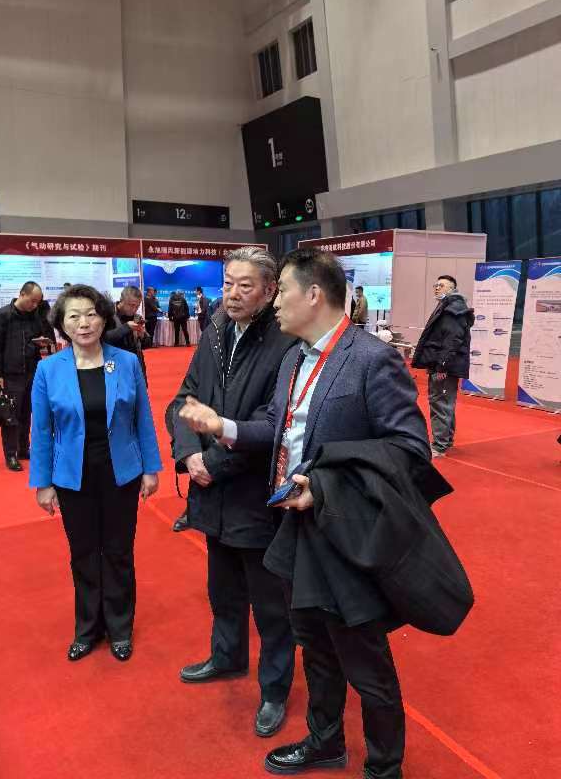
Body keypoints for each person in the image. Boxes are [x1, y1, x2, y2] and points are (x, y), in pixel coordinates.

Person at [179, 248, 431, 779]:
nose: (275, 305)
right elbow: (276, 424)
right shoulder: (295, 358)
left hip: (345, 529)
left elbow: (410, 451)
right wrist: (222, 427)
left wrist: (326, 486)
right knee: (313, 645)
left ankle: (384, 766)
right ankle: (325, 740)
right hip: (292, 527)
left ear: (313, 295)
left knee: (365, 660)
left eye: (283, 293)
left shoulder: (370, 359)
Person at [170, 246, 297, 738]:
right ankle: (226, 657)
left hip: (254, 497)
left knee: (270, 605)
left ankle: (274, 690)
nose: (233, 294)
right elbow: (183, 399)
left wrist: (213, 464)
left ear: (269, 291)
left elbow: (275, 426)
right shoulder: (216, 330)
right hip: (210, 495)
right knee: (222, 590)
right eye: (228, 284)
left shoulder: (285, 342)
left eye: (246, 286)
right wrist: (189, 456)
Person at [30, 284, 162, 663]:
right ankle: (88, 628)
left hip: (122, 472)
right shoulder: (48, 369)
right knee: (84, 553)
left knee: (118, 551)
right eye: (74, 316)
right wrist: (42, 483)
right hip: (73, 476)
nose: (84, 323)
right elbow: (41, 430)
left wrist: (151, 468)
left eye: (91, 314)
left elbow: (143, 418)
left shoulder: (126, 362)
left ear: (104, 318)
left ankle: (120, 627)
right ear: (62, 324)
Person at [0, 281, 53, 471]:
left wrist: (42, 341)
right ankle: (11, 454)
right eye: (32, 301)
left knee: (27, 413)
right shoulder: (2, 316)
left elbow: (43, 336)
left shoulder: (36, 315)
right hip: (10, 374)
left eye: (37, 302)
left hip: (33, 371)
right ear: (22, 294)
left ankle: (24, 449)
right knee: (11, 416)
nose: (34, 305)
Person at [412, 275, 474, 458]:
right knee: (444, 403)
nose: (437, 288)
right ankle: (446, 441)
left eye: (441, 285)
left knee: (439, 403)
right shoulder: (448, 307)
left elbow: (452, 341)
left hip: (444, 366)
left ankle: (439, 445)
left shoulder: (453, 310)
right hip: (442, 363)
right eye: (436, 285)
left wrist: (442, 367)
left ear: (452, 289)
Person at [104, 286, 151, 382]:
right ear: (121, 301)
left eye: (137, 306)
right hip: (114, 365)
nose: (134, 309)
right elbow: (104, 339)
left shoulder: (137, 317)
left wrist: (142, 336)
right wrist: (126, 327)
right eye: (131, 305)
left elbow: (147, 345)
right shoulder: (108, 315)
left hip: (135, 365)